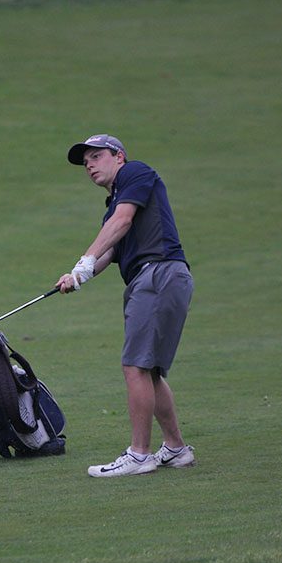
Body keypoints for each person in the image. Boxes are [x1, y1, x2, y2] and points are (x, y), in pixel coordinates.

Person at [56, 134, 195, 477]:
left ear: (118, 156)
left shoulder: (135, 173)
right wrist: (79, 275)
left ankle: (139, 455)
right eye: (85, 161)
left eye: (96, 156)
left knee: (134, 367)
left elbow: (122, 224)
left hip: (157, 274)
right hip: (158, 279)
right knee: (148, 370)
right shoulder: (115, 204)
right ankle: (176, 449)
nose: (89, 164)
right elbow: (112, 249)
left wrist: (84, 261)